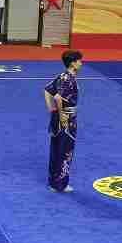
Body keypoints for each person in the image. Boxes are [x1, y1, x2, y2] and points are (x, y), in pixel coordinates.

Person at [44, 50, 82, 193]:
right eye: (79, 61)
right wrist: (60, 114)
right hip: (67, 119)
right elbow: (58, 97)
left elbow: (47, 90)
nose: (81, 63)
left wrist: (51, 109)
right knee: (66, 150)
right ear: (73, 63)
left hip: (58, 118)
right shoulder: (69, 79)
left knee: (56, 148)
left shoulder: (61, 76)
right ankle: (61, 184)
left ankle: (53, 182)